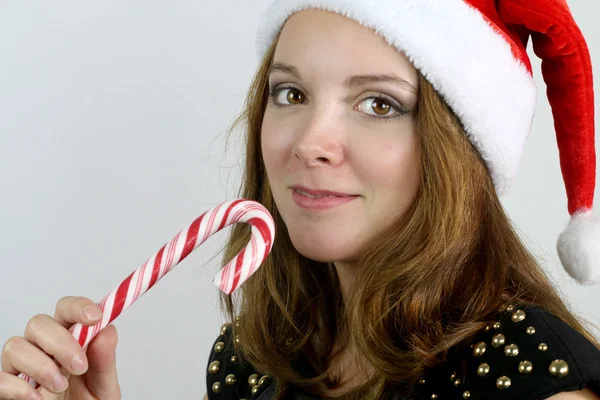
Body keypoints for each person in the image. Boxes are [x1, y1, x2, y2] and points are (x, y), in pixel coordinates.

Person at [1, 0, 600, 399]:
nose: (310, 142)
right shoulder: (251, 361)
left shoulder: (527, 378)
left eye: (379, 104)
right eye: (290, 94)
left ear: (458, 152)